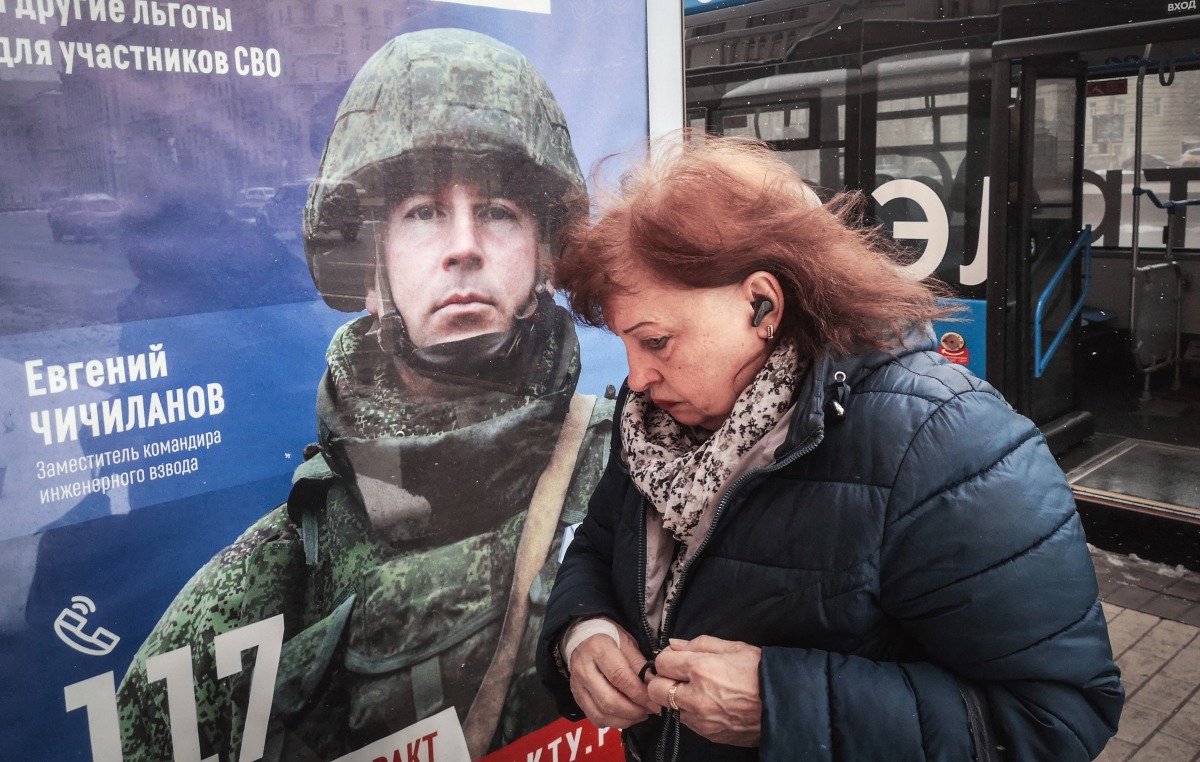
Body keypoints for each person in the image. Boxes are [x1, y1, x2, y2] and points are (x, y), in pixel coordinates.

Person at [536, 134, 1124, 761]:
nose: (639, 379)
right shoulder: (657, 425)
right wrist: (583, 630)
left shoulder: (944, 443)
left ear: (762, 304)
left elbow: (1058, 717)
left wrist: (786, 704)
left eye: (655, 341)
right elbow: (599, 546)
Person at [117, 28, 613, 761]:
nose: (464, 244)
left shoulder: (635, 484)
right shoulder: (264, 588)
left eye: (499, 211)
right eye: (423, 212)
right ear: (373, 275)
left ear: (544, 256)